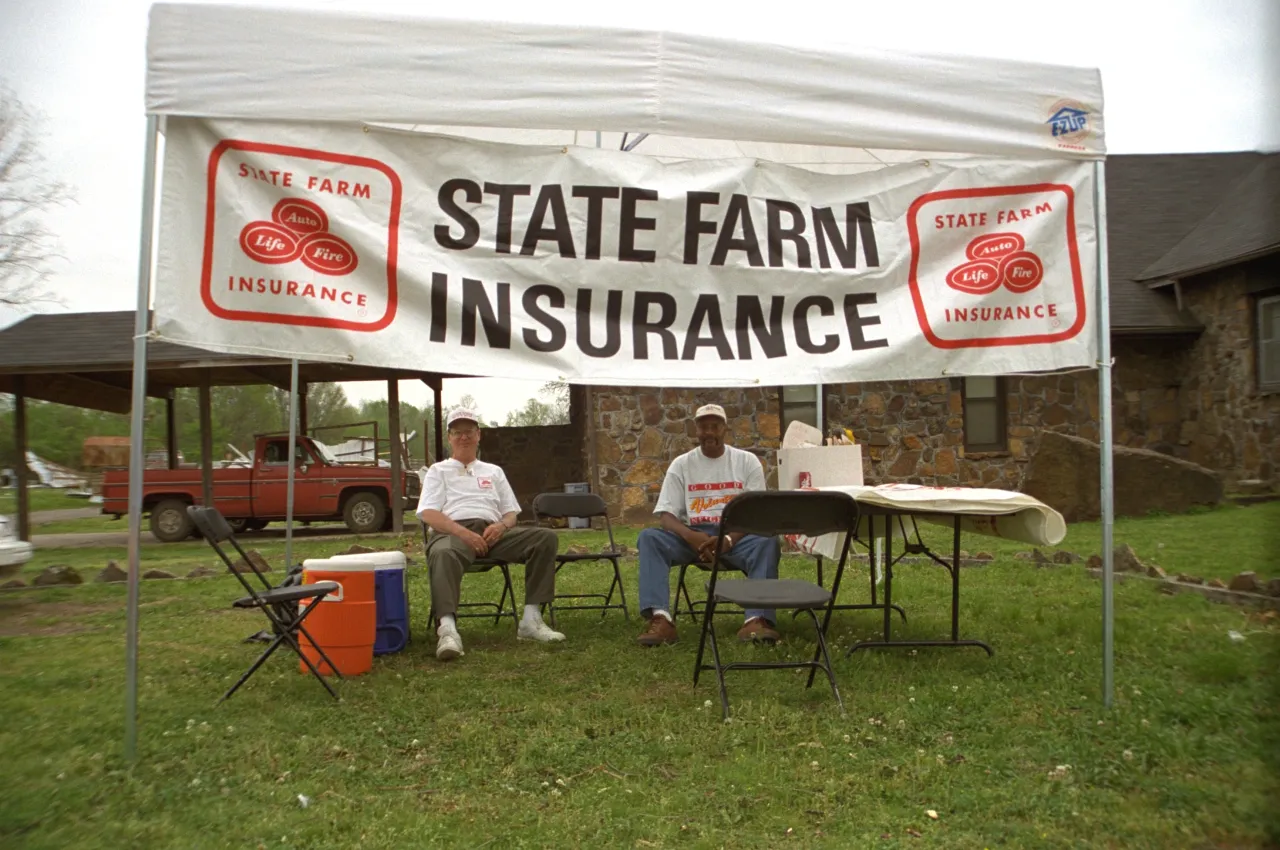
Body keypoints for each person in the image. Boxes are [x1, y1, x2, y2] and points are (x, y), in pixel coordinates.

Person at [417, 408, 565, 661]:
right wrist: (463, 533)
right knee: (442, 552)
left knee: (544, 538)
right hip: (453, 533)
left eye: (469, 432)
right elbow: (428, 513)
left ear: (478, 435)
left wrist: (502, 527)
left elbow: (511, 513)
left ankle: (531, 619)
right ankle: (448, 629)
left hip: (492, 534)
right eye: (457, 433)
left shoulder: (493, 471)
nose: (464, 438)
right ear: (450, 437)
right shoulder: (438, 471)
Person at [635, 403, 782, 646]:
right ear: (697, 430)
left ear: (725, 429)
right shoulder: (681, 465)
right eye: (704, 427)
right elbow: (666, 516)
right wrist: (691, 536)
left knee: (767, 542)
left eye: (715, 426)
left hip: (737, 538)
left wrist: (727, 540)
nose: (709, 432)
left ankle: (757, 620)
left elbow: (756, 514)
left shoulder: (747, 462)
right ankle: (660, 619)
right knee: (649, 538)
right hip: (692, 538)